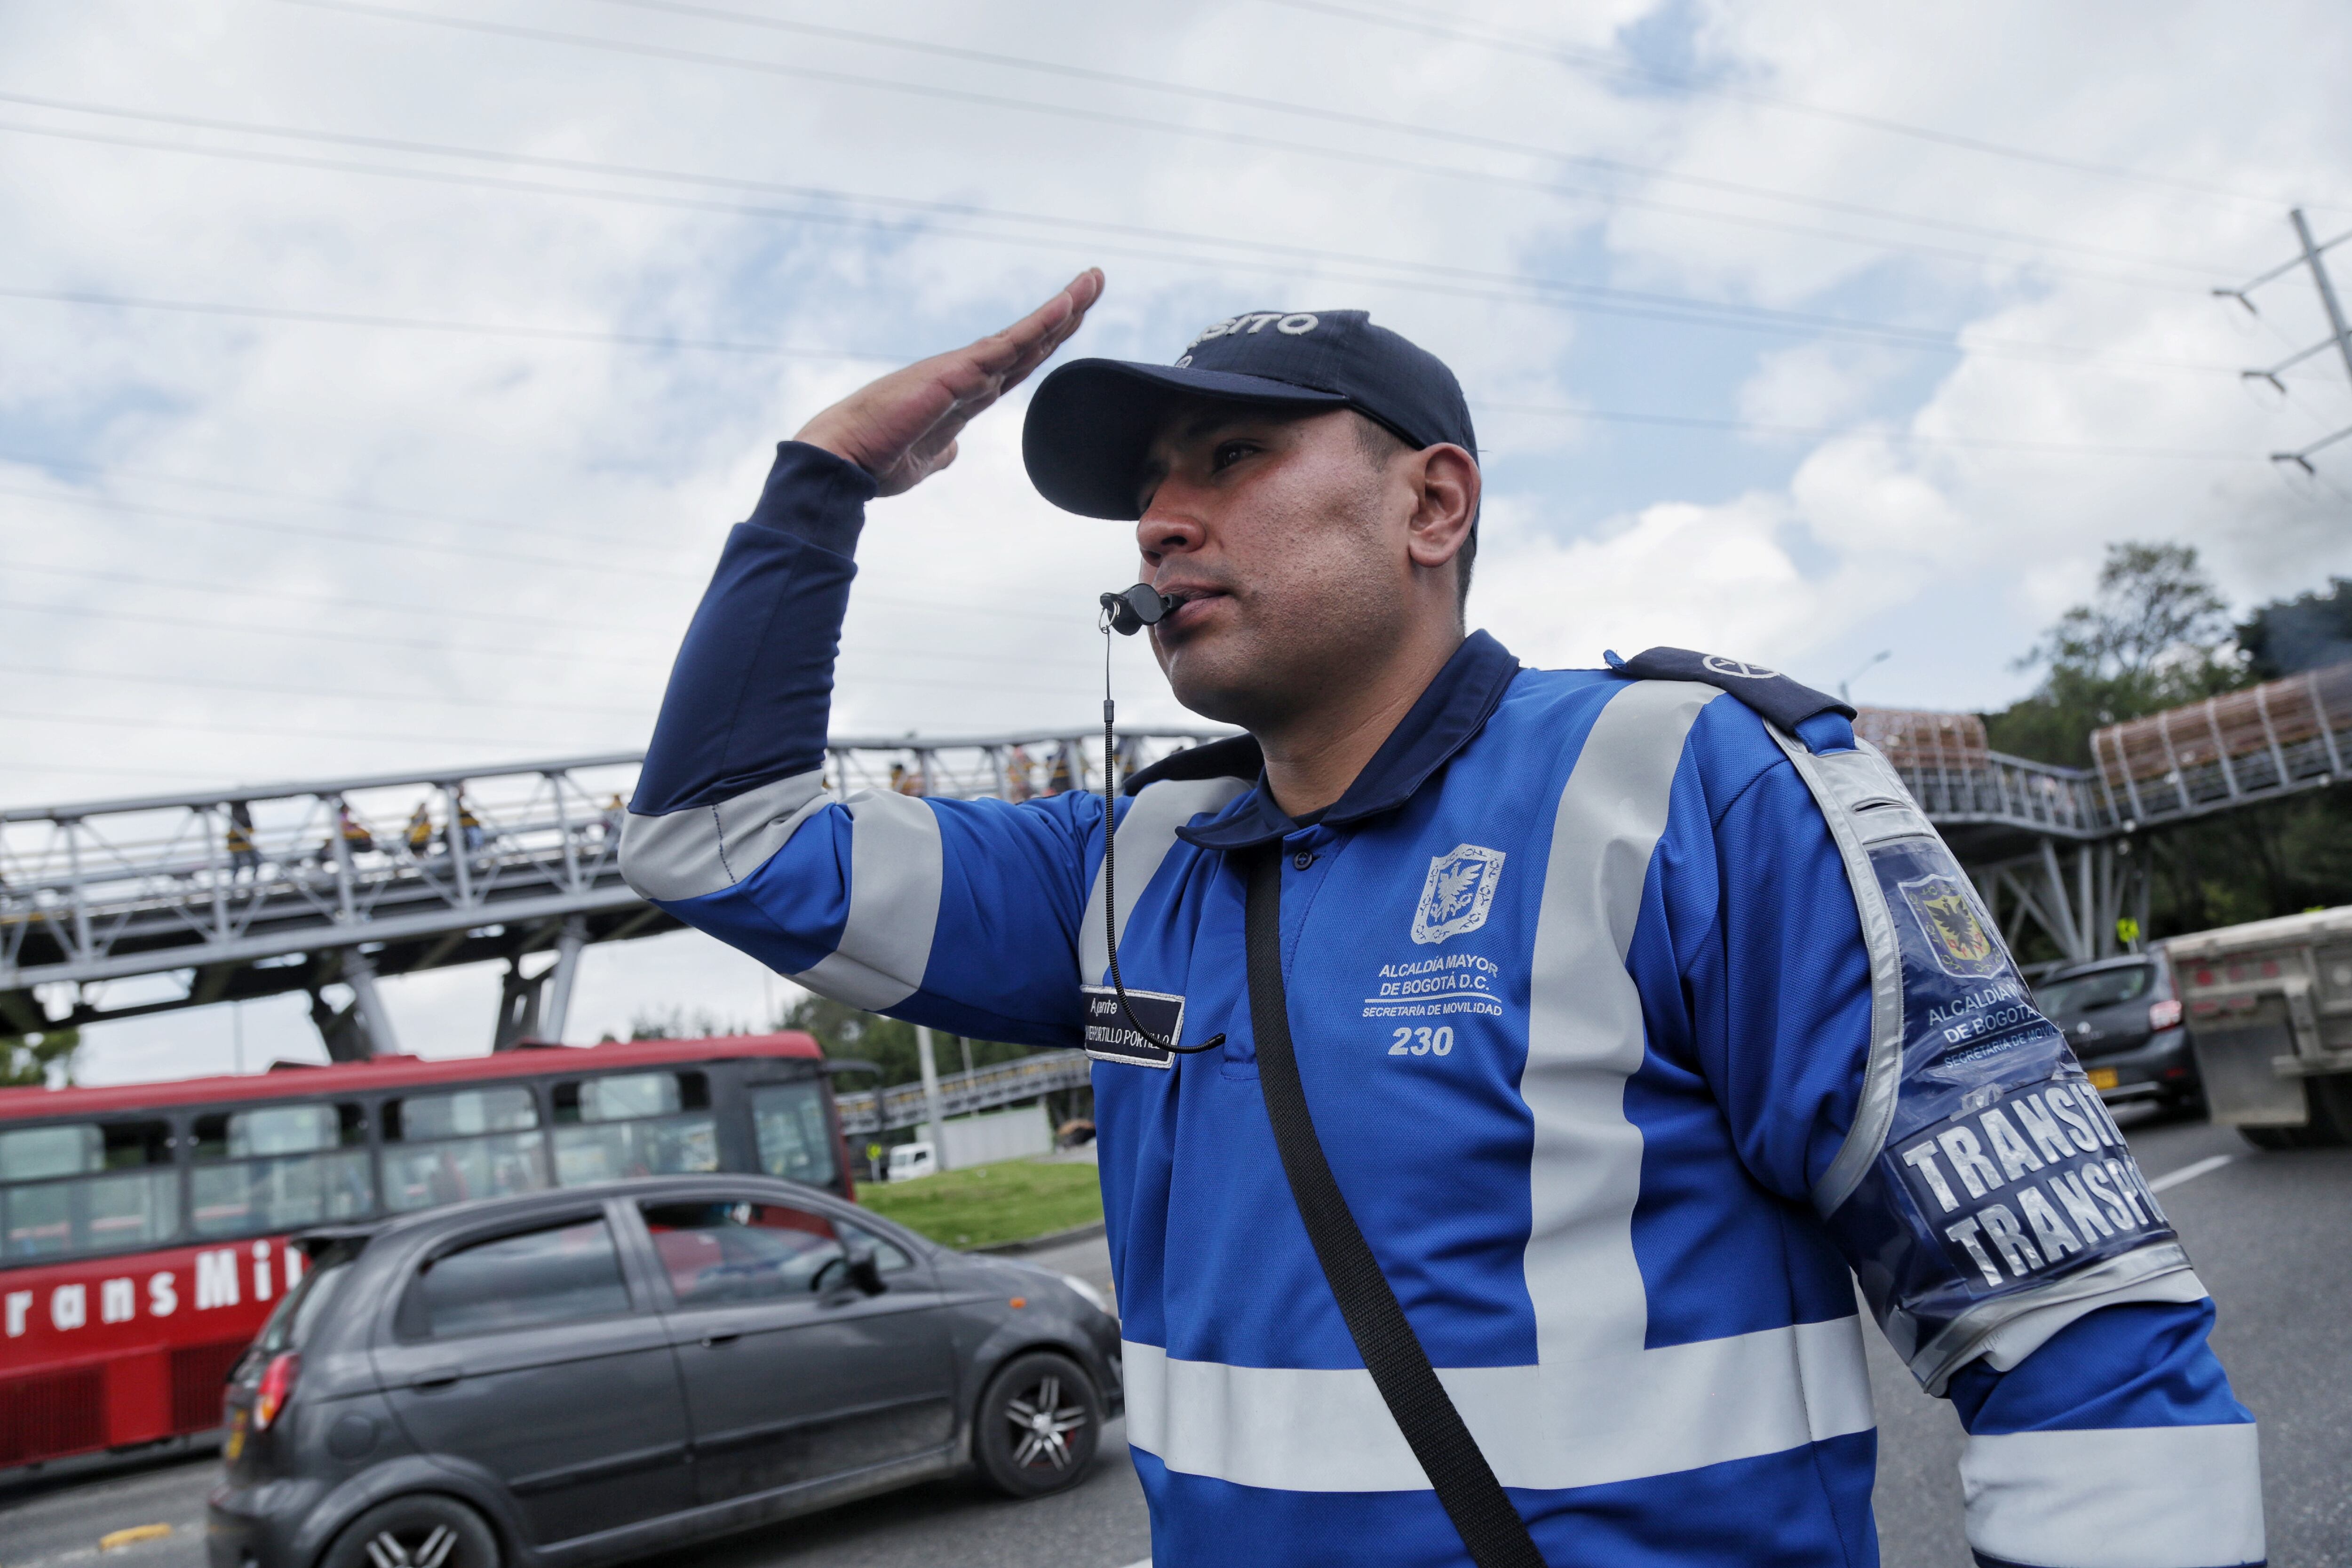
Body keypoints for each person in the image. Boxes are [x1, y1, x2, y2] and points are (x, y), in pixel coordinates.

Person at [620, 274, 2263, 1568]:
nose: (1160, 519)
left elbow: (2073, 1335)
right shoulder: (1120, 864)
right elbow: (712, 839)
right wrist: (822, 481)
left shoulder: (1688, 783)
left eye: (1233, 458)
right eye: (1149, 486)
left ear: (1433, 504)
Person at [224, 801, 260, 883]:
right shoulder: (240, 811)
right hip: (238, 841)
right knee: (239, 864)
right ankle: (236, 883)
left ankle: (236, 883)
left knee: (251, 862)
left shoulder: (238, 811)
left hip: (241, 841)